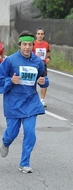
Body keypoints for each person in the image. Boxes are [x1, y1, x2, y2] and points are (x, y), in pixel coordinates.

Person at [0, 30, 49, 173]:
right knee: (12, 133)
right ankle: (5, 142)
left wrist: (43, 81)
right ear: (19, 45)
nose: (27, 47)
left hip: (31, 102)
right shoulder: (10, 61)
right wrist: (11, 80)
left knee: (30, 132)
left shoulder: (38, 62)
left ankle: (24, 163)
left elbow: (44, 79)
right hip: (13, 102)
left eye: (30, 44)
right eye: (24, 44)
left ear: (33, 46)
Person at [34, 28, 51, 108]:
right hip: (34, 65)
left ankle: (42, 100)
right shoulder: (33, 44)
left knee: (44, 82)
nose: (40, 35)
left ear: (44, 35)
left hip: (43, 65)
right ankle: (32, 99)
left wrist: (48, 58)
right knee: (33, 82)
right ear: (36, 35)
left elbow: (48, 53)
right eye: (38, 34)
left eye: (41, 34)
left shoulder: (46, 44)